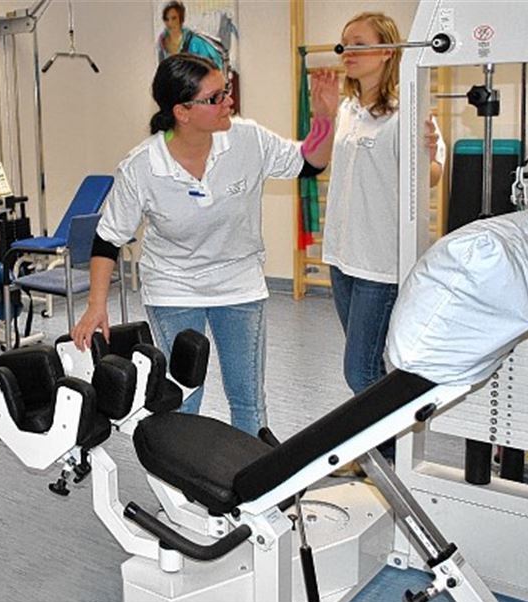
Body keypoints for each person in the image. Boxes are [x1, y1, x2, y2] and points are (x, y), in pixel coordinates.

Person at [70, 54, 339, 436]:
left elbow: (309, 162)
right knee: (183, 395)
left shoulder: (247, 139)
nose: (229, 102)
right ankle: (182, 482)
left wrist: (325, 119)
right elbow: (108, 237)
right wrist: (97, 305)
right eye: (216, 98)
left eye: (225, 92)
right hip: (174, 287)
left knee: (247, 397)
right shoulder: (142, 166)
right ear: (182, 111)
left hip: (239, 283)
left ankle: (252, 483)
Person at [322, 12, 445, 462]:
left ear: (388, 51)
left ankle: (391, 458)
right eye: (343, 44)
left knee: (359, 372)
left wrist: (430, 155)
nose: (346, 53)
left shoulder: (409, 111)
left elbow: (430, 176)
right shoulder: (347, 109)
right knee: (370, 367)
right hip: (342, 256)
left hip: (380, 264)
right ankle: (382, 451)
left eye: (357, 44)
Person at [157, 1, 225, 70]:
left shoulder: (194, 41)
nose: (170, 23)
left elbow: (212, 65)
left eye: (174, 18)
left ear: (181, 19)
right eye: (166, 19)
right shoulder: (162, 42)